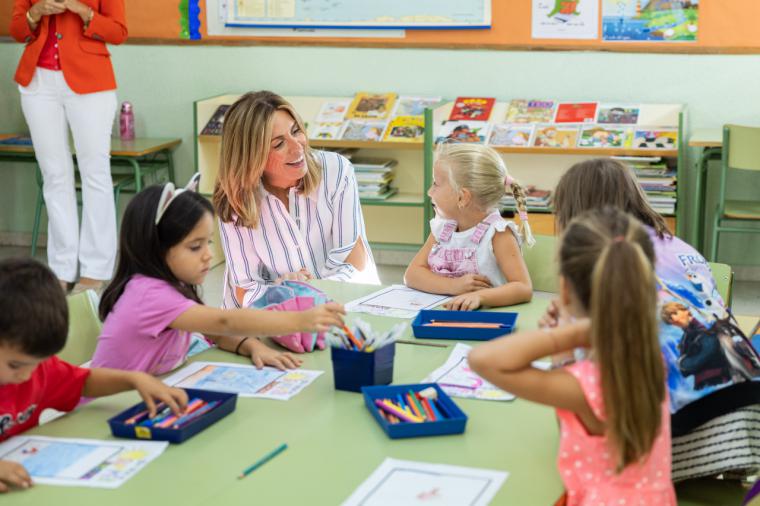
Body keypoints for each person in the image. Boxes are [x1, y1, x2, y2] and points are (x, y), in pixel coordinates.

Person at [544, 157, 760, 481]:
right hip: (748, 409)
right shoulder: (675, 245)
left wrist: (559, 344)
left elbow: (577, 405)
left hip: (690, 431)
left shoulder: (602, 262)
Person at [469, 208, 676, 505]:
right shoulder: (643, 353)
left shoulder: (591, 385)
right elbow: (572, 422)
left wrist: (571, 334)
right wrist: (570, 339)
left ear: (564, 290)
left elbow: (482, 359)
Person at [91, 178, 346, 375]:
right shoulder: (149, 295)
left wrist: (252, 345)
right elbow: (224, 322)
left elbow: (211, 331)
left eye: (209, 242)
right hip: (109, 414)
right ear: (155, 247)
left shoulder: (170, 286)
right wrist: (299, 321)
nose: (208, 255)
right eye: (195, 247)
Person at [0, 257, 187, 492]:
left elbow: (84, 382)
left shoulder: (40, 371)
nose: (27, 376)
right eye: (16, 365)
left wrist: (134, 379)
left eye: (36, 364)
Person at [213, 91, 379, 309]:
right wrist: (281, 295)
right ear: (251, 156)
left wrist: (308, 293)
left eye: (296, 131)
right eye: (278, 143)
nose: (297, 146)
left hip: (340, 306)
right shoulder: (234, 197)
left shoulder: (336, 171)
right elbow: (245, 286)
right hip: (270, 317)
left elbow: (354, 260)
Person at [10, 0, 128, 294]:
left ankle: (95, 270)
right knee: (54, 175)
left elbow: (118, 31)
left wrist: (83, 11)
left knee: (95, 173)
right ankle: (61, 268)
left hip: (91, 82)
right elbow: (15, 28)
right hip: (38, 83)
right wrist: (35, 13)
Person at [404, 144, 533, 311]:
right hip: (443, 318)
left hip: (485, 322)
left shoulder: (498, 233)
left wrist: (479, 296)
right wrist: (453, 286)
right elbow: (412, 275)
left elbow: (523, 287)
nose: (429, 192)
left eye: (436, 184)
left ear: (463, 197)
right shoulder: (442, 229)